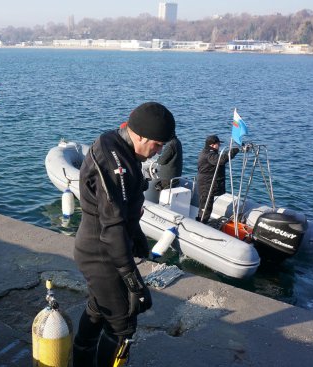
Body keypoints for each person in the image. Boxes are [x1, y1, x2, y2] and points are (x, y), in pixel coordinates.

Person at [73, 102, 175, 366]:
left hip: (104, 246)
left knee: (99, 307)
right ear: (139, 135)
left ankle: (81, 360)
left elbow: (127, 207)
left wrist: (138, 235)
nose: (158, 151)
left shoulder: (115, 143)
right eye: (156, 145)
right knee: (123, 322)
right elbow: (112, 229)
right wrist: (134, 281)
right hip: (101, 252)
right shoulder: (114, 165)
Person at [196, 134, 239, 224]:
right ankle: (201, 222)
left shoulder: (208, 152)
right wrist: (233, 151)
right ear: (212, 145)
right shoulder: (209, 155)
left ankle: (202, 220)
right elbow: (221, 160)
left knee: (207, 205)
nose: (219, 146)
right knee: (206, 206)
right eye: (218, 144)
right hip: (206, 184)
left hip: (207, 183)